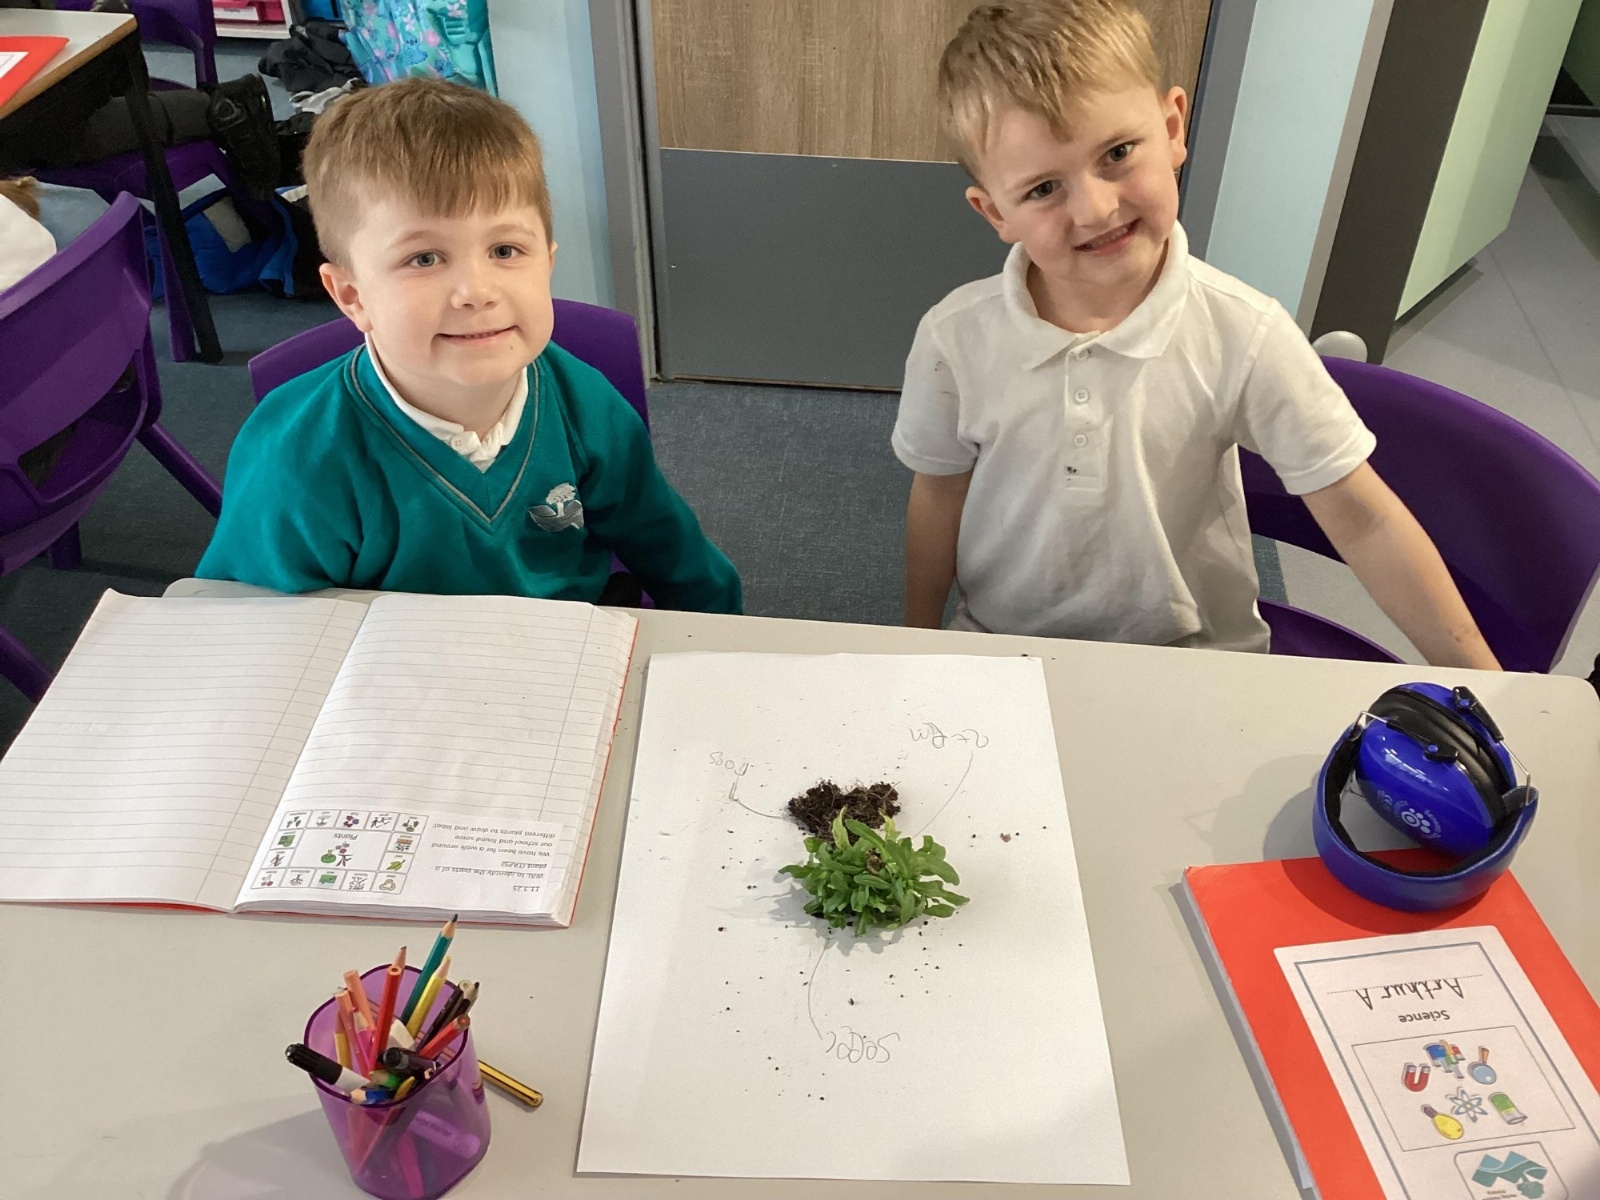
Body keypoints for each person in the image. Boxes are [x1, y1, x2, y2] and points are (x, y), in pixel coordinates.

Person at [894, 0, 1498, 668]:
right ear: (994, 213)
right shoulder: (954, 339)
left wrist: (1484, 682)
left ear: (1173, 127)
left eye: (1117, 153)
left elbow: (1362, 516)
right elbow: (939, 494)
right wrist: (915, 642)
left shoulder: (1246, 332)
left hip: (1195, 655)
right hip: (1002, 647)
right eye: (1043, 189)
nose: (1096, 209)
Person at [198, 78, 741, 613]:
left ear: (548, 264)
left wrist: (721, 643)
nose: (476, 292)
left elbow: (674, 553)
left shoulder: (587, 405)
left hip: (567, 646)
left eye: (505, 250)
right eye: (424, 259)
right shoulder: (297, 457)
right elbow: (253, 622)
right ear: (352, 295)